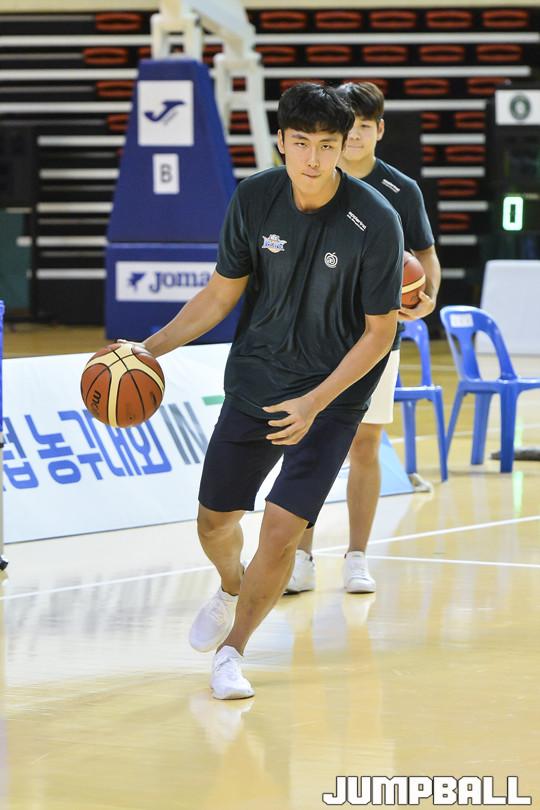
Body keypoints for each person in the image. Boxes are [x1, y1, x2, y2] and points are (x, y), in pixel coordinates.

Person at [142, 83, 403, 699]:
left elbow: (379, 333)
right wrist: (147, 350)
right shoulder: (254, 198)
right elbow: (219, 294)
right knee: (214, 523)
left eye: (328, 146)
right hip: (256, 381)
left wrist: (315, 403)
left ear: (343, 147)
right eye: (302, 143)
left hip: (330, 400)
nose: (314, 159)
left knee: (282, 532)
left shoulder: (377, 220)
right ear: (281, 141)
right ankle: (230, 586)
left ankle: (232, 652)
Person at [286, 81, 441, 596]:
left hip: (377, 336)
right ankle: (301, 556)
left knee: (365, 444)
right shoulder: (307, 182)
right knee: (306, 442)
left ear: (379, 130)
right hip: (314, 336)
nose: (354, 136)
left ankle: (356, 556)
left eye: (364, 127)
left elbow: (425, 257)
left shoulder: (399, 190)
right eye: (347, 127)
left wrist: (427, 297)